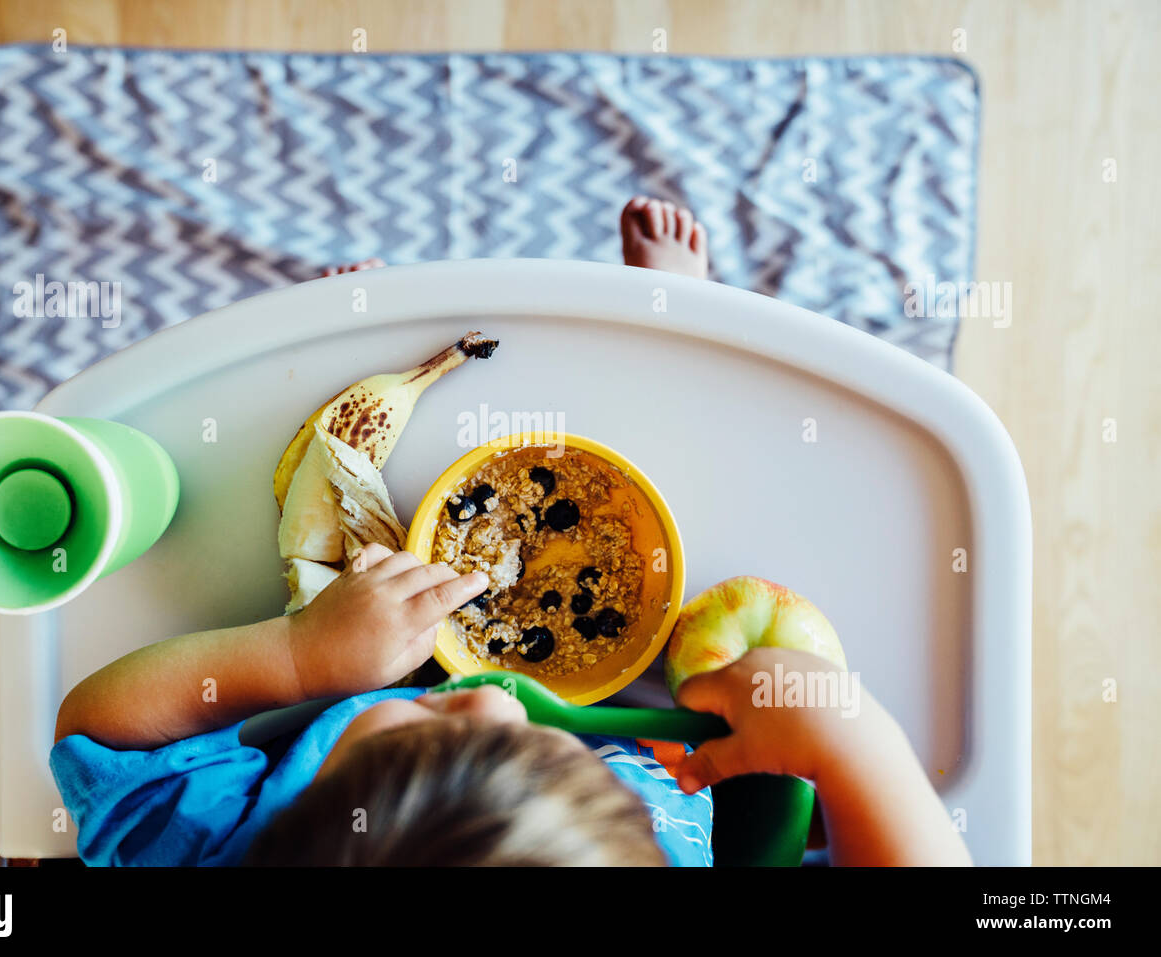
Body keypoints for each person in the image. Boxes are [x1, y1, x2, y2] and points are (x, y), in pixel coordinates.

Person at [51, 200, 970, 867]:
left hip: (359, 636)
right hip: (695, 728)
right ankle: (671, 326)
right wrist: (855, 743)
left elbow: (102, 734)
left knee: (300, 404)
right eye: (540, 753)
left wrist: (296, 660)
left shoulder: (216, 848)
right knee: (686, 447)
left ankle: (348, 347)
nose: (498, 702)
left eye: (421, 724)